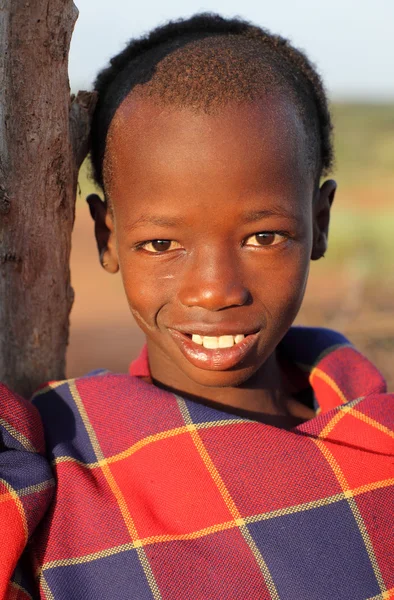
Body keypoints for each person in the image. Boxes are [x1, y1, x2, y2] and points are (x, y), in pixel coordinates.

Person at [1, 13, 393, 600]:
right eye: (161, 244)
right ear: (107, 237)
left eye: (264, 237)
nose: (214, 291)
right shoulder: (55, 470)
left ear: (320, 222)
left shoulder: (376, 447)